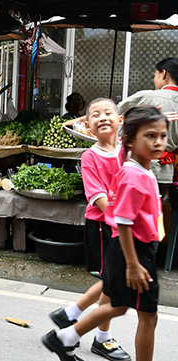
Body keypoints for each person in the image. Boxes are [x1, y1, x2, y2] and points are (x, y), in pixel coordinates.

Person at [43, 105, 167, 361]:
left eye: (162, 136)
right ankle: (71, 331)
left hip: (136, 247)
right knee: (144, 313)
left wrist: (146, 115)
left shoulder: (137, 165)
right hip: (132, 248)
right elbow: (122, 221)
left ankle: (66, 334)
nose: (158, 142)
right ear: (131, 140)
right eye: (150, 136)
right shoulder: (133, 174)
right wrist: (133, 264)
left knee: (119, 304)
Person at [48, 98, 130, 361]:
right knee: (112, 283)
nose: (103, 117)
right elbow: (98, 197)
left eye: (109, 112)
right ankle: (100, 338)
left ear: (120, 121)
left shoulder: (127, 150)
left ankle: (71, 314)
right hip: (104, 225)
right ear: (88, 127)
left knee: (112, 280)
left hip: (124, 225)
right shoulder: (90, 156)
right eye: (95, 115)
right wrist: (123, 219)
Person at [64, 58, 178, 196]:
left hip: (138, 170)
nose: (154, 80)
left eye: (155, 75)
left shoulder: (148, 97)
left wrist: (73, 121)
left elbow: (111, 112)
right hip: (166, 175)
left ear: (163, 74)